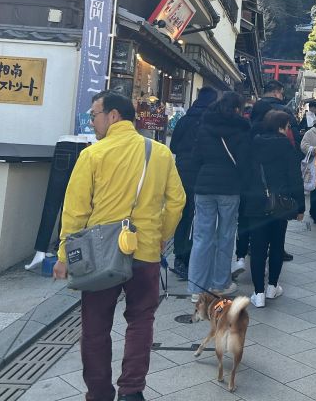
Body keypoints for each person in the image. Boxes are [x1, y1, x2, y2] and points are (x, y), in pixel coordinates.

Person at [53, 91, 185, 401]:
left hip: (101, 256)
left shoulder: (93, 155)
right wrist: (161, 234)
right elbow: (177, 201)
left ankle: (99, 393)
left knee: (95, 328)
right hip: (146, 251)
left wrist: (64, 256)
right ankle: (131, 391)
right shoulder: (159, 153)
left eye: (94, 115)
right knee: (141, 321)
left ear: (113, 116)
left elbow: (75, 211)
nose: (92, 121)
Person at [188, 91, 251, 300]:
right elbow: (244, 162)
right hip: (229, 188)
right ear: (237, 109)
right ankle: (220, 283)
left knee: (201, 237)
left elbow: (195, 158)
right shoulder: (241, 129)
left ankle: (197, 288)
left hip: (204, 187)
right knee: (225, 236)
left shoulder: (205, 126)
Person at [243, 110, 305, 308]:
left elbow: (244, 173)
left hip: (255, 202)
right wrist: (300, 206)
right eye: (287, 127)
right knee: (277, 245)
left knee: (258, 247)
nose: (288, 130)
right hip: (280, 203)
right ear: (281, 126)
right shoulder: (286, 146)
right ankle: (272, 287)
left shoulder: (253, 144)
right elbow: (295, 177)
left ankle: (258, 293)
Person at [168, 87, 217, 280]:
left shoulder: (185, 119)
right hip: (203, 173)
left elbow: (173, 146)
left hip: (182, 172)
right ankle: (196, 259)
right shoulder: (212, 122)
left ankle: (180, 256)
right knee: (202, 215)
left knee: (184, 213)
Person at [248, 79, 299, 262]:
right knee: (278, 210)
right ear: (278, 92)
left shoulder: (255, 108)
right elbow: (294, 136)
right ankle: (278, 248)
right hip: (280, 166)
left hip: (257, 165)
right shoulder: (284, 110)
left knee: (257, 213)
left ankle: (253, 246)